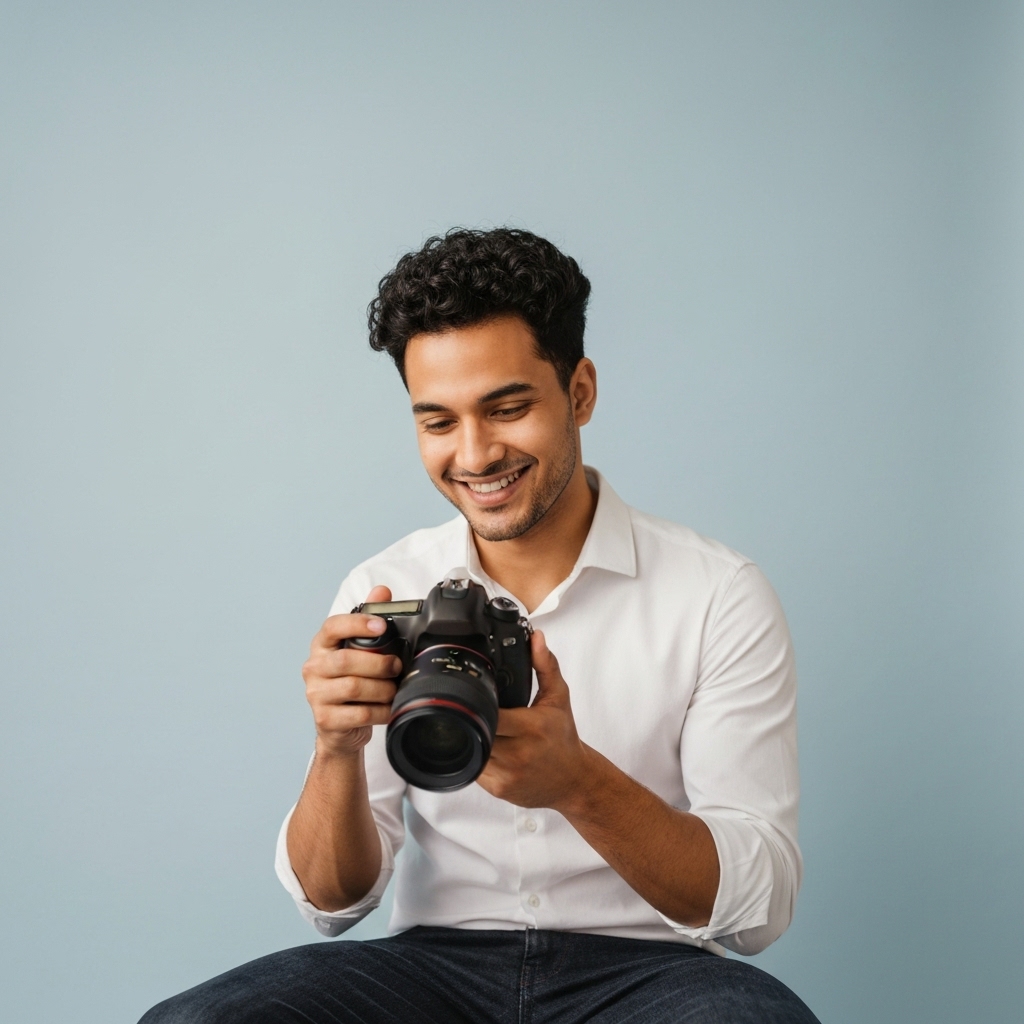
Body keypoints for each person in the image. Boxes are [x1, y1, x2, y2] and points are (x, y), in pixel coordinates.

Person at [141, 228, 820, 1023]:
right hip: (435, 967)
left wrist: (578, 783)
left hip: (652, 972)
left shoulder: (715, 593)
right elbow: (334, 904)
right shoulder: (384, 589)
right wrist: (336, 748)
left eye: (507, 407)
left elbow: (759, 911)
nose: (475, 454)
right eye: (438, 421)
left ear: (581, 393)